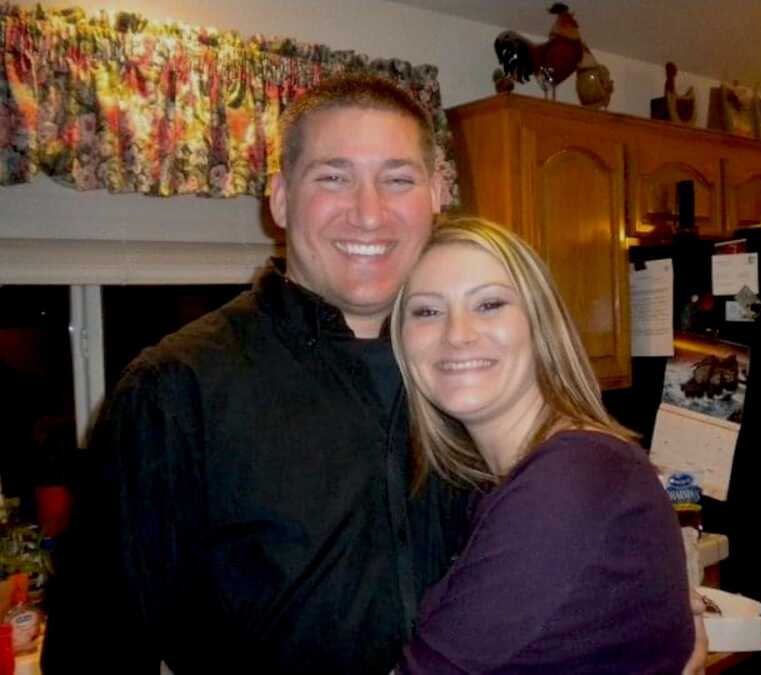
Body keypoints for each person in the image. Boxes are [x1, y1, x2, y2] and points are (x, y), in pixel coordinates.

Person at [43, 74, 707, 675]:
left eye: (397, 177)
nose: (368, 211)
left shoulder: (465, 377)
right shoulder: (177, 392)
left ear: (436, 195)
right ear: (278, 197)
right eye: (333, 176)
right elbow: (94, 653)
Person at [390, 217, 696, 674]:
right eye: (427, 311)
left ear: (541, 324)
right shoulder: (511, 482)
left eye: (489, 304)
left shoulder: (571, 480)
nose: (457, 334)